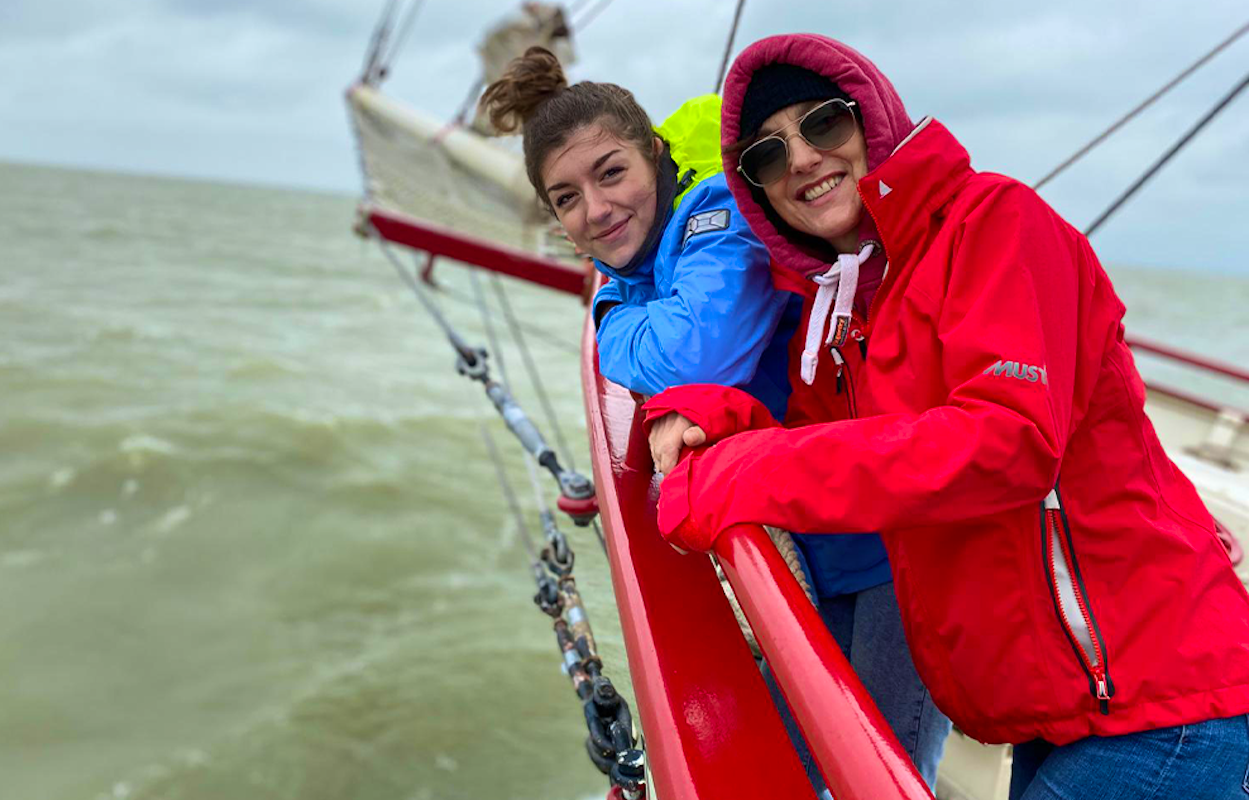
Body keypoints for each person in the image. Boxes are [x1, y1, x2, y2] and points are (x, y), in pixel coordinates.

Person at [643, 33, 1249, 799]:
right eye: (766, 154)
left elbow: (1007, 442)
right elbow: (817, 439)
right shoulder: (861, 300)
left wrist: (739, 474)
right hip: (1065, 705)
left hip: (1164, 699)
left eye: (822, 123)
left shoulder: (996, 222)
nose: (798, 159)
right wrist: (707, 409)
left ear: (873, 121)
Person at [479, 46, 948, 792]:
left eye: (611, 174)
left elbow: (690, 352)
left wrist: (609, 312)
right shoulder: (646, 259)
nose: (596, 210)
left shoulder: (715, 217)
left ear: (657, 156)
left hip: (891, 542)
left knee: (881, 771)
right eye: (566, 198)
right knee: (791, 764)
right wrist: (624, 298)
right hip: (819, 532)